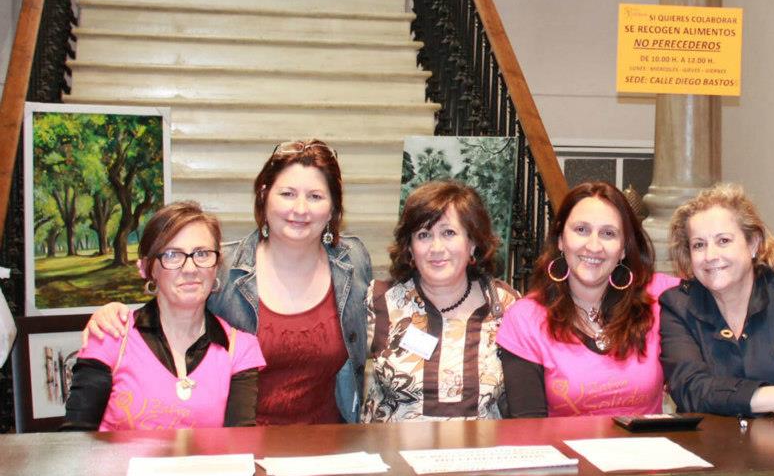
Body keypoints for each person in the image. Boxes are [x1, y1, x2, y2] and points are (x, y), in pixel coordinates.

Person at [84, 140, 372, 424]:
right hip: (237, 440)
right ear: (264, 196)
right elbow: (169, 314)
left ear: (333, 209)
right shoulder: (220, 266)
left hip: (328, 441)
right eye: (287, 193)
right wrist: (115, 314)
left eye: (315, 196)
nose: (300, 209)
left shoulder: (352, 261)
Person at [496, 181, 774, 418]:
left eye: (609, 233)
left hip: (651, 466)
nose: (593, 246)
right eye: (581, 230)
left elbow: (725, 276)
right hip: (570, 474)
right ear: (560, 239)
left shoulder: (661, 297)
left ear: (624, 247)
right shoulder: (526, 318)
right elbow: (530, 429)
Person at [62, 202, 265, 431]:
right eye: (172, 255)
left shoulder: (240, 349)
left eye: (202, 254)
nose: (190, 269)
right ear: (147, 268)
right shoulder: (111, 335)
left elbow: (239, 444)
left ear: (217, 265)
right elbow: (75, 439)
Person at [659, 183, 774, 420]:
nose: (710, 256)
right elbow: (691, 390)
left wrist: (734, 396)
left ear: (753, 243)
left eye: (723, 240)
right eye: (699, 245)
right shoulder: (678, 305)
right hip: (710, 441)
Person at [363, 181, 520, 421]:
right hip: (391, 445)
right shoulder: (380, 301)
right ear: (410, 248)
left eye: (448, 233)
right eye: (424, 235)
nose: (436, 248)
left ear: (472, 242)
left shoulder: (505, 305)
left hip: (481, 446)